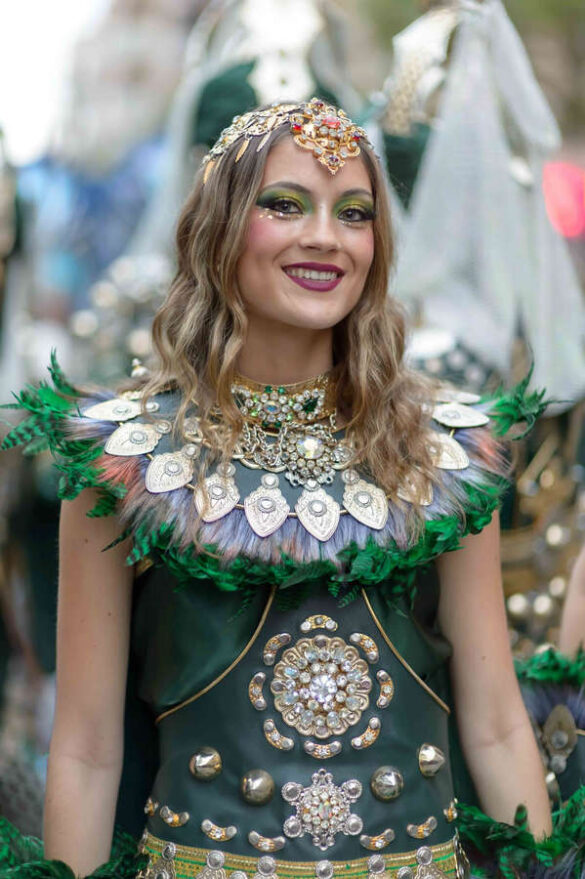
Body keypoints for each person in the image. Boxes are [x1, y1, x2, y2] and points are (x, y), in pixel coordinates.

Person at [1, 99, 582, 879]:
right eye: (284, 204)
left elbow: (496, 725)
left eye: (354, 213)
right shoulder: (122, 460)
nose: (324, 236)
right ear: (219, 226)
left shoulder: (443, 451)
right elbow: (86, 747)